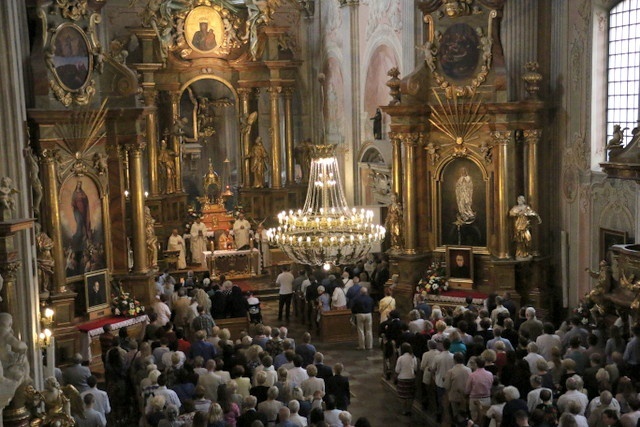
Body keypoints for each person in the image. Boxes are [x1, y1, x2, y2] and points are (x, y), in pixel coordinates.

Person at [509, 195, 542, 260]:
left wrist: (537, 218)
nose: (519, 201)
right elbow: (511, 213)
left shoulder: (526, 208)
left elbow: (533, 213)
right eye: (518, 200)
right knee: (519, 241)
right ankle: (520, 253)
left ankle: (527, 252)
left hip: (525, 226)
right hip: (518, 226)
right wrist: (518, 213)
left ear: (523, 200)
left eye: (521, 200)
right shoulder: (515, 208)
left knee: (528, 239)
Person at [72, 180, 91, 248]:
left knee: (84, 222)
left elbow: (86, 200)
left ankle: (85, 235)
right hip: (77, 209)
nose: (79, 185)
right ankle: (79, 234)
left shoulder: (83, 193)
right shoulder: (74, 193)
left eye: (80, 184)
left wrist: (84, 199)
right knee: (79, 222)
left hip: (83, 209)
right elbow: (73, 202)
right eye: (78, 184)